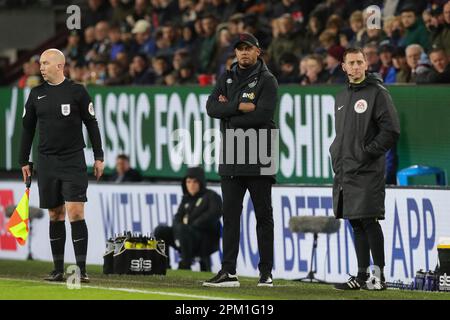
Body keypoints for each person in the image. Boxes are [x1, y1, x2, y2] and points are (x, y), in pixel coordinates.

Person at [19, 48, 104, 282]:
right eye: (41, 63)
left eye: (46, 63)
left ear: (60, 66)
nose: (41, 67)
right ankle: (58, 269)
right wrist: (23, 160)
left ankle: (81, 270)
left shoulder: (77, 91)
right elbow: (27, 129)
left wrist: (99, 156)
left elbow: (92, 123)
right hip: (46, 162)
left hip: (73, 160)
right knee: (55, 214)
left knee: (75, 211)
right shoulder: (36, 94)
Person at [204, 32, 278, 287]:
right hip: (232, 156)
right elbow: (211, 107)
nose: (244, 53)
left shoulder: (268, 80)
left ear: (259, 52)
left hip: (260, 155)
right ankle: (228, 271)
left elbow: (262, 116)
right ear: (235, 52)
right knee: (230, 215)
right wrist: (238, 107)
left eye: (249, 48)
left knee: (263, 216)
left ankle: (266, 272)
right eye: (240, 49)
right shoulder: (226, 76)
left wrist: (228, 116)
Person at [330, 47, 400, 291]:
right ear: (344, 66)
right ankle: (361, 276)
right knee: (355, 222)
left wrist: (366, 152)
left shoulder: (377, 93)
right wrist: (336, 152)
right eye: (352, 63)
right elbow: (342, 135)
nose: (356, 66)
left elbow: (391, 131)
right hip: (345, 171)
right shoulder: (341, 97)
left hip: (367, 170)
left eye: (360, 62)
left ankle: (378, 277)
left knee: (369, 221)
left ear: (366, 64)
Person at [153, 167, 222, 271]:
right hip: (184, 235)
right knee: (160, 230)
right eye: (188, 182)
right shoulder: (186, 199)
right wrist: (180, 228)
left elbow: (213, 214)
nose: (191, 185)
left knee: (183, 229)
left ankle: (185, 264)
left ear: (201, 182)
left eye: (195, 182)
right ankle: (163, 264)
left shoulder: (212, 196)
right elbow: (177, 218)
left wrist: (190, 225)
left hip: (204, 238)